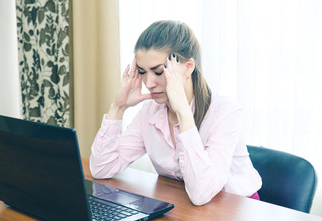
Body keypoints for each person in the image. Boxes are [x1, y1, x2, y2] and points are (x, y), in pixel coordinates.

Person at [90, 20, 262, 205]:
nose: (149, 83)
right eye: (142, 72)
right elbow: (101, 168)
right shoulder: (150, 112)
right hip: (185, 206)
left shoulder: (224, 112)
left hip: (237, 210)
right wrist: (118, 108)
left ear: (188, 67)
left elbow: (201, 193)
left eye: (158, 72)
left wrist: (183, 113)